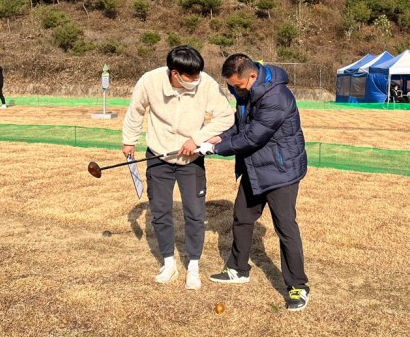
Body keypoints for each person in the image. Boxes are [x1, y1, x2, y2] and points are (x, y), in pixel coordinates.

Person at [202, 53, 311, 311]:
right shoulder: (247, 91)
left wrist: (217, 149)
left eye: (238, 86)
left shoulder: (276, 97)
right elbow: (241, 125)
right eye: (231, 86)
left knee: (285, 227)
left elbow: (252, 137)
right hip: (256, 167)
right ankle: (238, 269)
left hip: (281, 170)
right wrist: (219, 137)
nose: (235, 90)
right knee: (242, 216)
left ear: (252, 76)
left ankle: (298, 286)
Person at [122, 45, 234, 290]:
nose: (196, 79)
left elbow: (226, 116)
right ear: (175, 73)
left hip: (191, 160)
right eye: (191, 76)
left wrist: (197, 139)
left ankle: (193, 266)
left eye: (198, 74)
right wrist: (129, 140)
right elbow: (136, 111)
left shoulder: (205, 83)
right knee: (160, 211)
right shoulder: (150, 81)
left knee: (195, 213)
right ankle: (168, 263)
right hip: (158, 156)